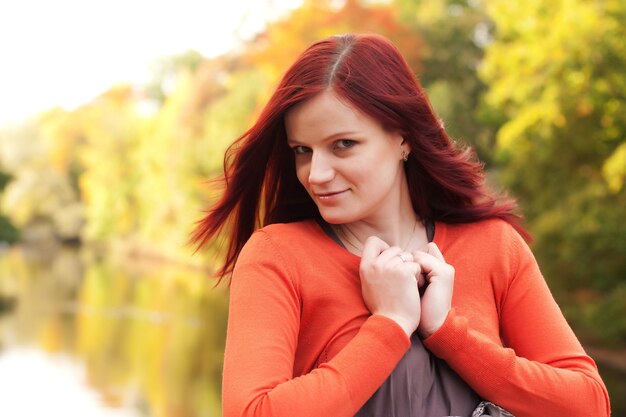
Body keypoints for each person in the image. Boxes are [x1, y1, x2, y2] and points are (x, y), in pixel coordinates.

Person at [193, 33, 610, 417]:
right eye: (302, 150)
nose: (316, 173)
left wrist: (448, 332)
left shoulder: (494, 246)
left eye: (343, 145)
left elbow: (588, 404)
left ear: (403, 138)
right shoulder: (278, 256)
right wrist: (389, 324)